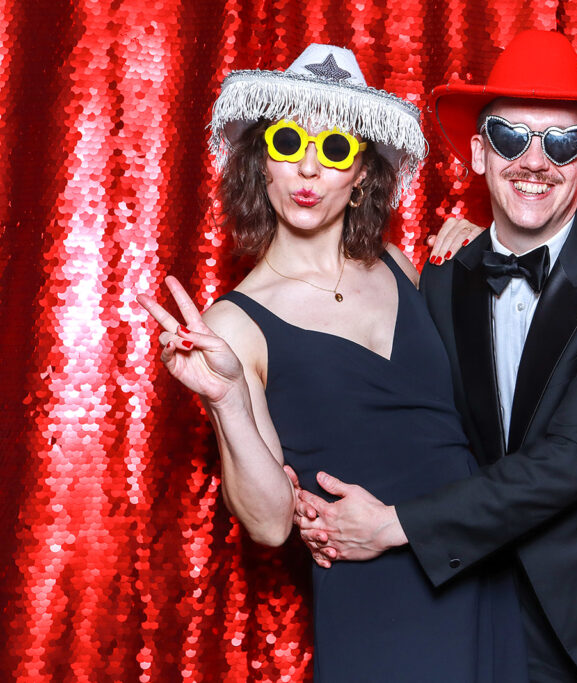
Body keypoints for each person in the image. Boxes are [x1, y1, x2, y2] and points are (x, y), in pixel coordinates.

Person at [293, 30, 577, 683]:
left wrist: (393, 526)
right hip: (505, 611)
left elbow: (574, 457)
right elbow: (416, 422)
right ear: (478, 153)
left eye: (560, 143)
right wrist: (296, 482)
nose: (534, 160)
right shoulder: (445, 282)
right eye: (510, 137)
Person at [137, 44, 525, 682]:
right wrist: (227, 397)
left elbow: (482, 398)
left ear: (363, 176)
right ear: (262, 162)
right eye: (289, 142)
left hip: (476, 558)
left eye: (335, 149)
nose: (308, 169)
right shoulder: (235, 322)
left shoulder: (401, 266)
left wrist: (476, 259)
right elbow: (266, 524)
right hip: (377, 596)